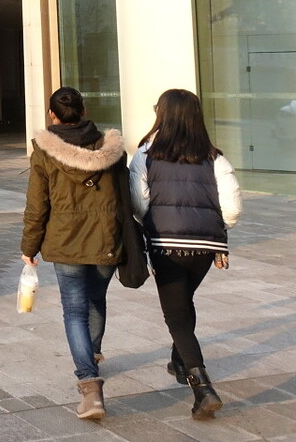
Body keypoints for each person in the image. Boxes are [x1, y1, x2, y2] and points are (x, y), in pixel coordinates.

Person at [130, 89, 242, 420]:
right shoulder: (215, 158)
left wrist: (152, 223)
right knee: (184, 302)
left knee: (176, 315)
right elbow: (232, 209)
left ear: (161, 115)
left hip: (166, 245)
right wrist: (214, 229)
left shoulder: (146, 155)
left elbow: (138, 203)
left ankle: (202, 385)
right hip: (206, 247)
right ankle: (179, 360)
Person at [20, 86, 127, 420]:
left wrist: (29, 247)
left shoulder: (43, 151)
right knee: (96, 301)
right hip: (107, 239)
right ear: (82, 110)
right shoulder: (111, 148)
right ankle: (91, 353)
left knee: (74, 310)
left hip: (65, 242)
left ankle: (89, 384)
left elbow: (38, 204)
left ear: (53, 115)